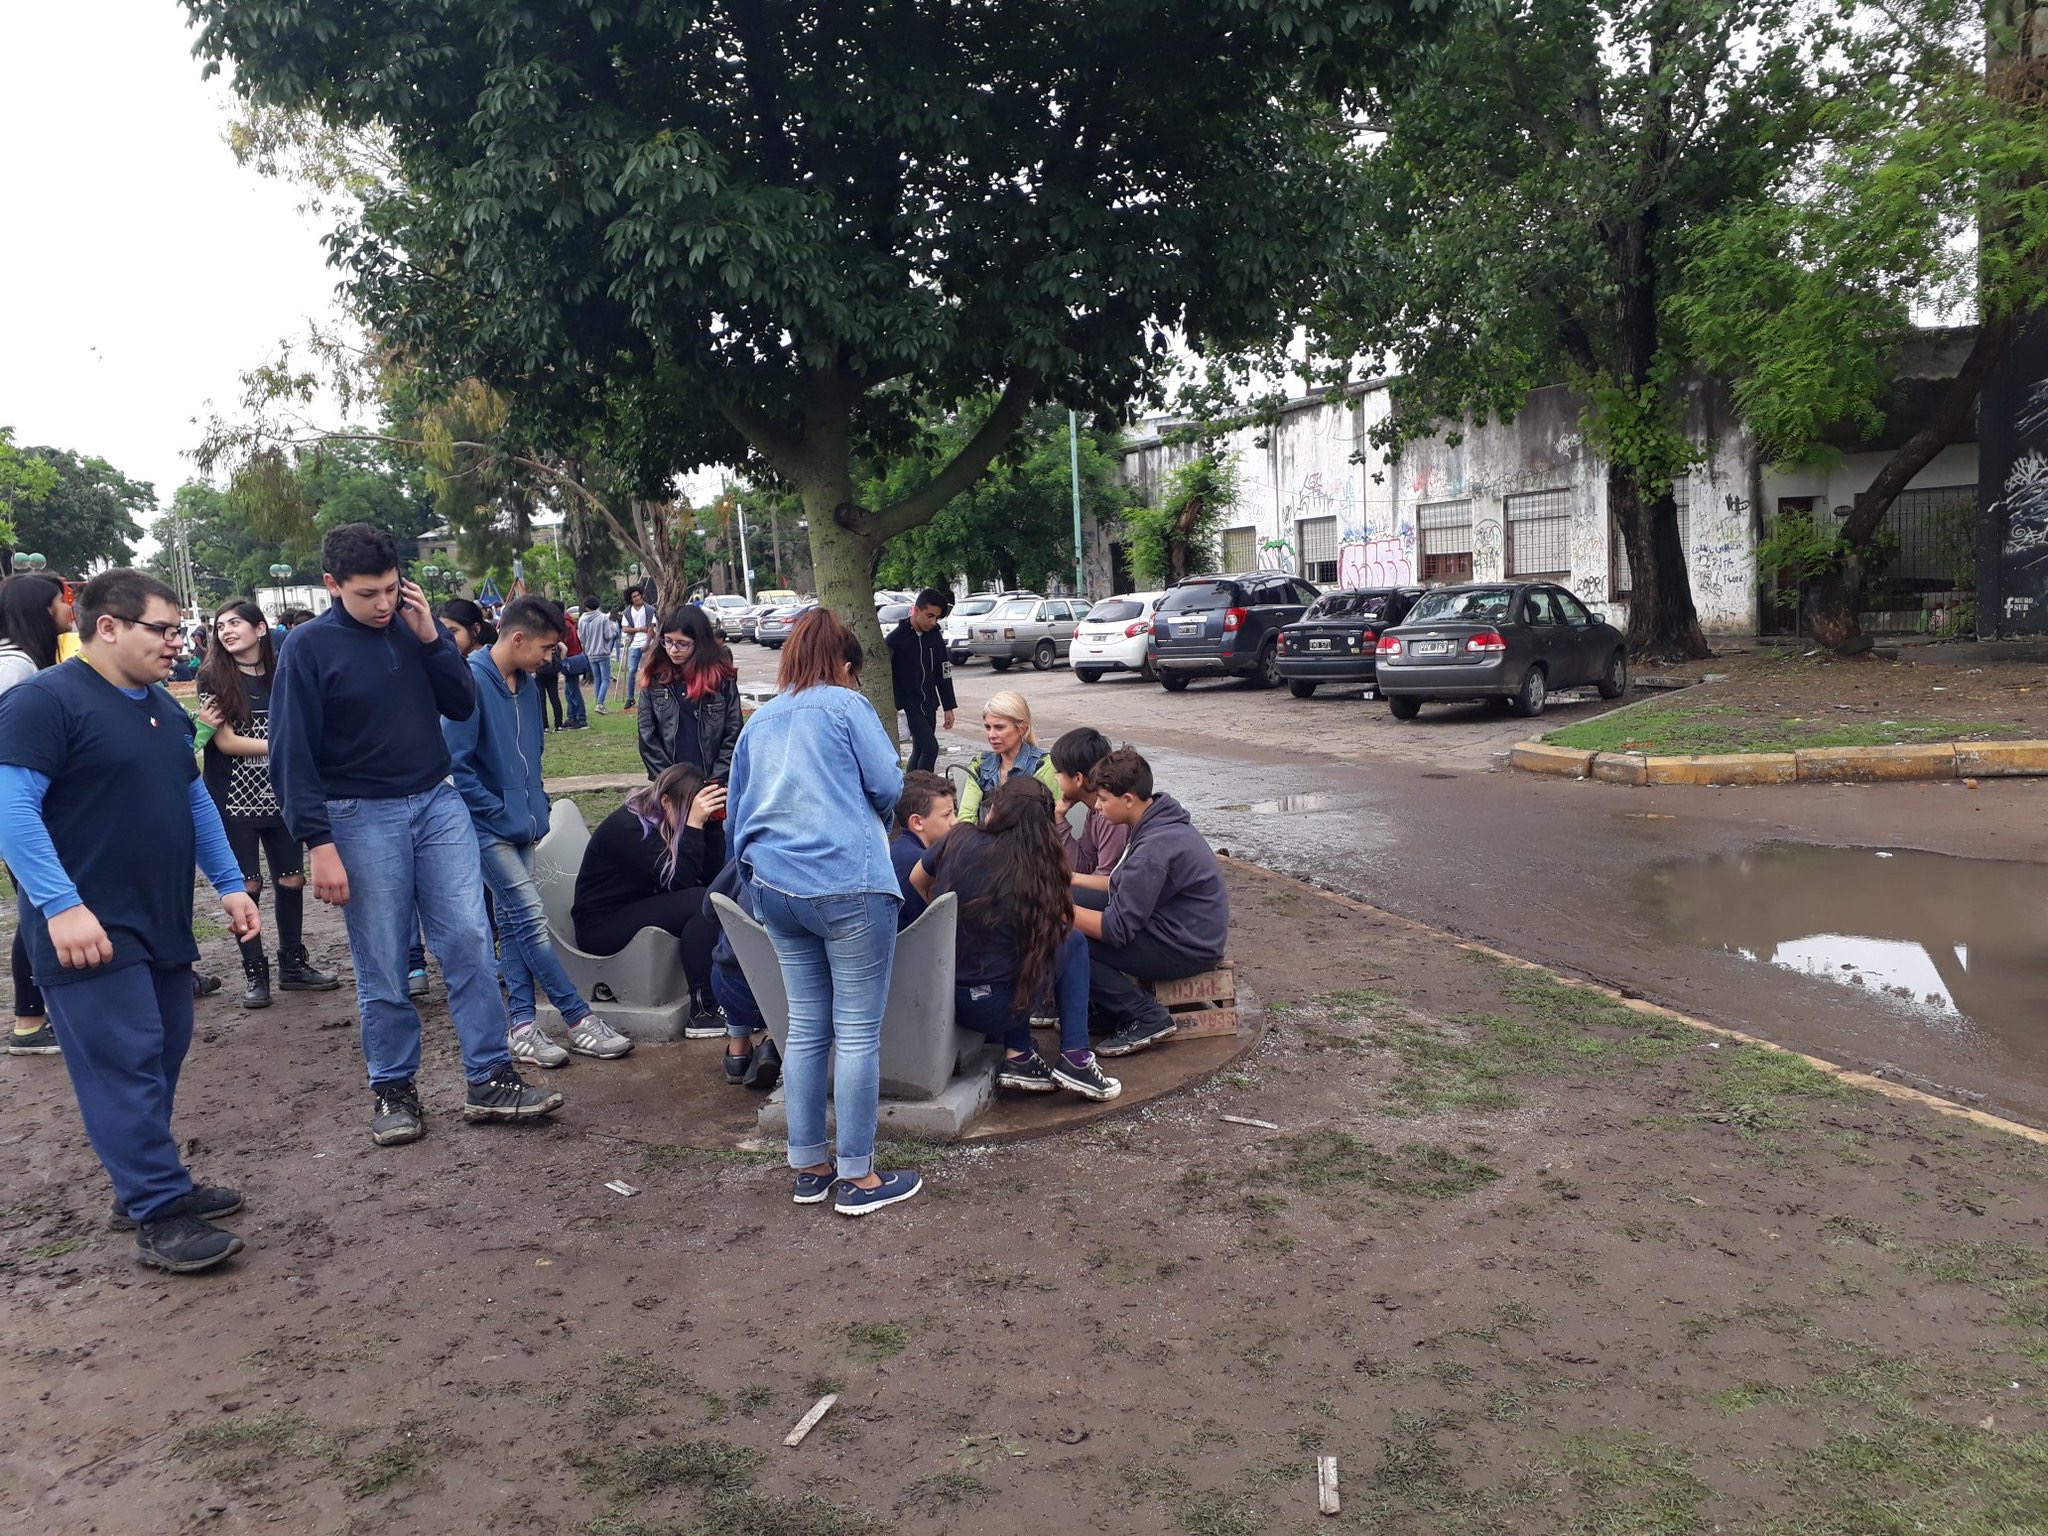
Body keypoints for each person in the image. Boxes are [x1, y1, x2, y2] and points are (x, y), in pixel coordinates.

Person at [0, 570, 263, 1272]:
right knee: (125, 1063)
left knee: (163, 1048)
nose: (179, 644)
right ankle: (156, 1210)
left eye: (181, 631)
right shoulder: (42, 703)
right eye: (164, 630)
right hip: (88, 926)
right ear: (108, 627)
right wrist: (61, 906)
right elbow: (12, 811)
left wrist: (231, 885)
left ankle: (140, 1183)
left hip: (160, 916)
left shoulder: (158, 706)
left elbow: (195, 801)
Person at [270, 522, 564, 1146]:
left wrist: (432, 639)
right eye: (366, 594)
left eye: (391, 589)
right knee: (381, 957)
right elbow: (290, 753)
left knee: (467, 938)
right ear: (332, 586)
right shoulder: (308, 647)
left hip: (437, 802)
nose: (382, 603)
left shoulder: (412, 630)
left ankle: (489, 1077)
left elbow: (461, 705)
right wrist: (317, 843)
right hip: (358, 813)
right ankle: (393, 1087)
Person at [727, 608, 922, 1217]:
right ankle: (859, 1179)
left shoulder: (758, 723)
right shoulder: (846, 705)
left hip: (777, 889)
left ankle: (809, 1167)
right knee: (858, 1032)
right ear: (844, 665)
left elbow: (736, 812)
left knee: (807, 1028)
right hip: (848, 885)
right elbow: (890, 788)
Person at [445, 596, 634, 1068]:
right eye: (548, 647)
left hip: (524, 824)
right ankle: (578, 1018)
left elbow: (532, 756)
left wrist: (535, 807)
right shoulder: (467, 683)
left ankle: (523, 1028)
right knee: (530, 918)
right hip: (485, 827)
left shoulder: (527, 687)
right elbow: (455, 767)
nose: (553, 657)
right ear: (517, 638)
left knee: (512, 926)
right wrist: (498, 812)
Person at [911, 776, 1121, 1101]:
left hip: (946, 995)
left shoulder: (958, 838)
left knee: (1008, 949)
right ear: (1043, 825)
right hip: (997, 1008)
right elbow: (1059, 926)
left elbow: (917, 879)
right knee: (1072, 943)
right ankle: (1076, 1057)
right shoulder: (1038, 870)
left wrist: (947, 919)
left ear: (994, 809)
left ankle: (1020, 1055)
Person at [195, 599, 343, 1009]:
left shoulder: (284, 673)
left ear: (260, 628)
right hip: (232, 799)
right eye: (220, 626)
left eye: (235, 623)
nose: (226, 631)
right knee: (248, 887)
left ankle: (293, 966)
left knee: (291, 879)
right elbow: (225, 742)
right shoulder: (212, 677)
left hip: (282, 794)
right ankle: (254, 973)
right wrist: (288, 746)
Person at [1070, 749, 1230, 1057]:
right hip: (1175, 925)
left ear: (1128, 799)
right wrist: (1070, 880)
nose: (1098, 807)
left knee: (1066, 939)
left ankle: (1144, 1015)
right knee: (1068, 902)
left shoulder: (1153, 848)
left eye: (1103, 799)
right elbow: (1122, 885)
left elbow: (1116, 929)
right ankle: (1111, 1006)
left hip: (1187, 946)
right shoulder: (1155, 818)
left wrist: (1056, 912)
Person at [571, 762, 728, 1037]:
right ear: (665, 800)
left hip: (636, 907)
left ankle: (712, 997)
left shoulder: (662, 815)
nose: (691, 816)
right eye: (687, 809)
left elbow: (708, 876)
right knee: (700, 901)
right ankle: (702, 1012)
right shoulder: (631, 827)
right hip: (601, 926)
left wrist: (711, 826)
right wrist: (693, 825)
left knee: (709, 896)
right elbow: (679, 881)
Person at [406, 598, 496, 999]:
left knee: (467, 899)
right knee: (405, 886)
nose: (445, 637)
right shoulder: (421, 657)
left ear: (475, 631)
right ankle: (412, 962)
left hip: (457, 798)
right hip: (426, 790)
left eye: (452, 631)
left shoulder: (468, 669)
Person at [0, 572, 75, 1055]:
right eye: (60, 600)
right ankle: (30, 1020)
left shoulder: (24, 661)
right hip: (17, 805)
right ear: (38, 610)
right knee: (37, 904)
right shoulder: (16, 668)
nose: (70, 608)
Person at [637, 604, 742, 868]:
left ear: (700, 643)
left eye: (683, 644)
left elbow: (733, 731)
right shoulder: (655, 678)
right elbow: (647, 737)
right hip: (671, 786)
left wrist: (715, 779)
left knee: (714, 856)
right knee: (674, 855)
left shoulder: (721, 679)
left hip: (712, 783)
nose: (673, 650)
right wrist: (670, 782)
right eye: (668, 642)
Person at [700, 859, 779, 1088]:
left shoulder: (750, 854)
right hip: (789, 996)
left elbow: (709, 907)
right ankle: (773, 1043)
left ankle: (737, 1052)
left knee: (731, 923)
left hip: (732, 988)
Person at [956, 690, 1060, 824]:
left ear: (1021, 728)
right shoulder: (980, 765)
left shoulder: (1044, 766)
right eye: (988, 727)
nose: (991, 735)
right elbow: (966, 819)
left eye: (999, 727)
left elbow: (1053, 821)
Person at [885, 587, 957, 772]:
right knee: (931, 748)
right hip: (909, 706)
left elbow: (944, 671)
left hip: (929, 704)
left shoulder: (935, 638)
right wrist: (895, 704)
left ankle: (911, 791)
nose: (933, 622)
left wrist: (948, 706)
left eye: (937, 618)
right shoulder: (895, 639)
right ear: (916, 610)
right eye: (929, 615)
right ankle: (925, 789)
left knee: (919, 750)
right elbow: (889, 675)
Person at [1050, 726, 1130, 876]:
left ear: (1078, 779)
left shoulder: (1110, 816)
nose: (1056, 778)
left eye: (1059, 772)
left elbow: (1107, 879)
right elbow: (1083, 866)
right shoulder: (1093, 811)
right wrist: (1059, 819)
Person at [889, 769, 957, 928]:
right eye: (947, 815)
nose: (955, 822)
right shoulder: (918, 862)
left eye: (954, 812)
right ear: (917, 822)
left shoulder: (896, 844)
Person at [577, 598, 615, 715]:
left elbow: (581, 637)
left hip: (590, 652)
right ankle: (600, 703)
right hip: (602, 651)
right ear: (598, 605)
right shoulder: (603, 617)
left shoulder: (582, 619)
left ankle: (598, 702)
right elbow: (608, 635)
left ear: (586, 607)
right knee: (605, 678)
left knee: (597, 678)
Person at [620, 585, 654, 710]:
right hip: (634, 643)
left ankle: (648, 696)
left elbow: (651, 627)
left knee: (647, 670)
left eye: (639, 595)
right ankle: (630, 697)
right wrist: (639, 629)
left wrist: (647, 643)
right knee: (632, 671)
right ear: (631, 599)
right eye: (634, 597)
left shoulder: (649, 610)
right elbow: (625, 628)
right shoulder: (627, 612)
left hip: (647, 643)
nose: (638, 598)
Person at [559, 603, 590, 729]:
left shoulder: (563, 625)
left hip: (570, 659)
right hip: (575, 657)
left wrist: (562, 660)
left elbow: (566, 644)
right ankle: (572, 716)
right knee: (569, 690)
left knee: (573, 690)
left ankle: (581, 718)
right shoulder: (569, 621)